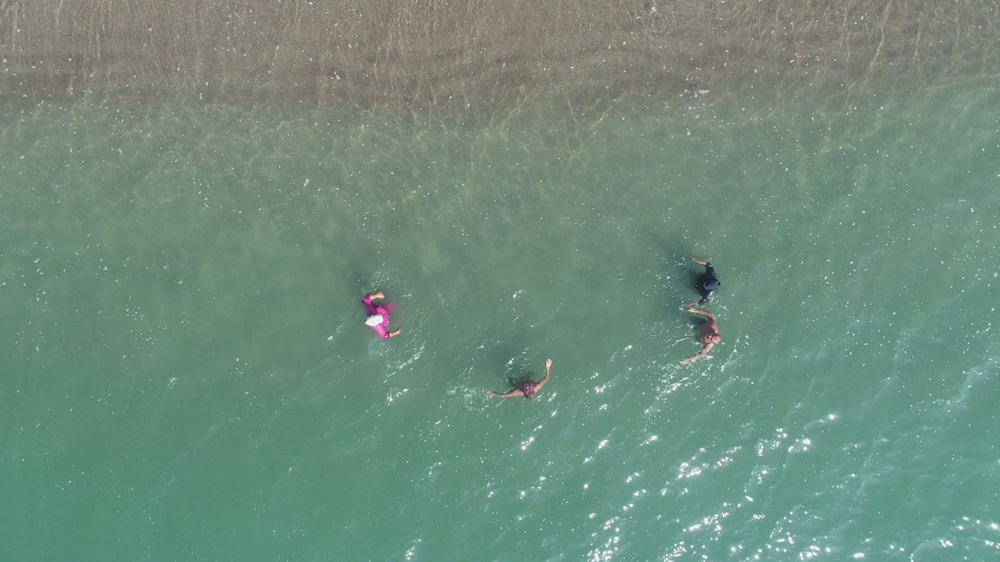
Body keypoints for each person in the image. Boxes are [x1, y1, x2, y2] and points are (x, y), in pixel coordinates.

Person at [488, 358, 552, 399]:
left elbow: (505, 395)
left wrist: (494, 394)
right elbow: (546, 379)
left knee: (509, 379)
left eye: (526, 390)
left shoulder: (517, 391)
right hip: (527, 378)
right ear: (532, 389)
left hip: (516, 383)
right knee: (530, 374)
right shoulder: (536, 386)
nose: (527, 388)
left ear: (524, 392)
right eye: (529, 388)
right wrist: (548, 367)